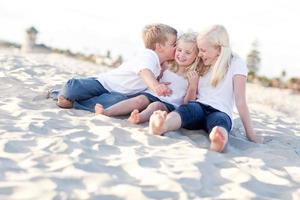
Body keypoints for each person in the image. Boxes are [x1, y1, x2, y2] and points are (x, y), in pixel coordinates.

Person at [149, 25, 263, 153]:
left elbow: (240, 102)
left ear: (219, 50)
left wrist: (250, 134)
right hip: (199, 106)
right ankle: (162, 125)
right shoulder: (202, 62)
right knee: (186, 111)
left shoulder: (236, 63)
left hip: (221, 111)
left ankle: (218, 139)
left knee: (220, 122)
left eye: (203, 50)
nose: (200, 54)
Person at [49, 23, 177, 112]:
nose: (176, 48)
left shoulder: (159, 63)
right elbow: (145, 72)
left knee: (116, 102)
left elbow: (147, 79)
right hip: (103, 83)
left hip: (119, 94)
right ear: (159, 47)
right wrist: (156, 85)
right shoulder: (148, 56)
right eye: (173, 44)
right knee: (74, 88)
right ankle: (61, 93)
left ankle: (74, 103)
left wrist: (158, 82)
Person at [95, 32, 201, 124]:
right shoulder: (167, 66)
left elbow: (188, 103)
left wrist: (192, 86)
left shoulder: (193, 75)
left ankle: (139, 118)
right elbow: (154, 78)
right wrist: (159, 84)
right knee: (139, 100)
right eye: (179, 50)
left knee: (156, 106)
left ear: (196, 56)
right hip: (152, 94)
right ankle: (106, 112)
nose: (181, 55)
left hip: (170, 104)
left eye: (187, 53)